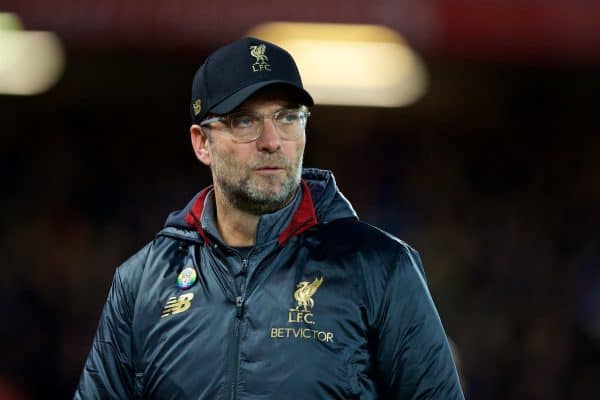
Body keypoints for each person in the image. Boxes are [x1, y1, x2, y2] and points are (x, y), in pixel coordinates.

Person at [75, 37, 465, 399]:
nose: (272, 140)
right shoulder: (142, 282)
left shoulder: (380, 270)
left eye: (287, 117)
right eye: (245, 121)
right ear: (202, 142)